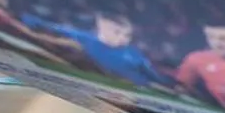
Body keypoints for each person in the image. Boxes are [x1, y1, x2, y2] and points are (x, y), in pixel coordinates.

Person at [19, 9, 177, 90]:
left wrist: (170, 84)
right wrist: (30, 21)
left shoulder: (133, 54)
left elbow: (153, 76)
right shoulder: (84, 38)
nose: (123, 38)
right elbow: (53, 28)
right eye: (117, 32)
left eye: (127, 35)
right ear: (102, 26)